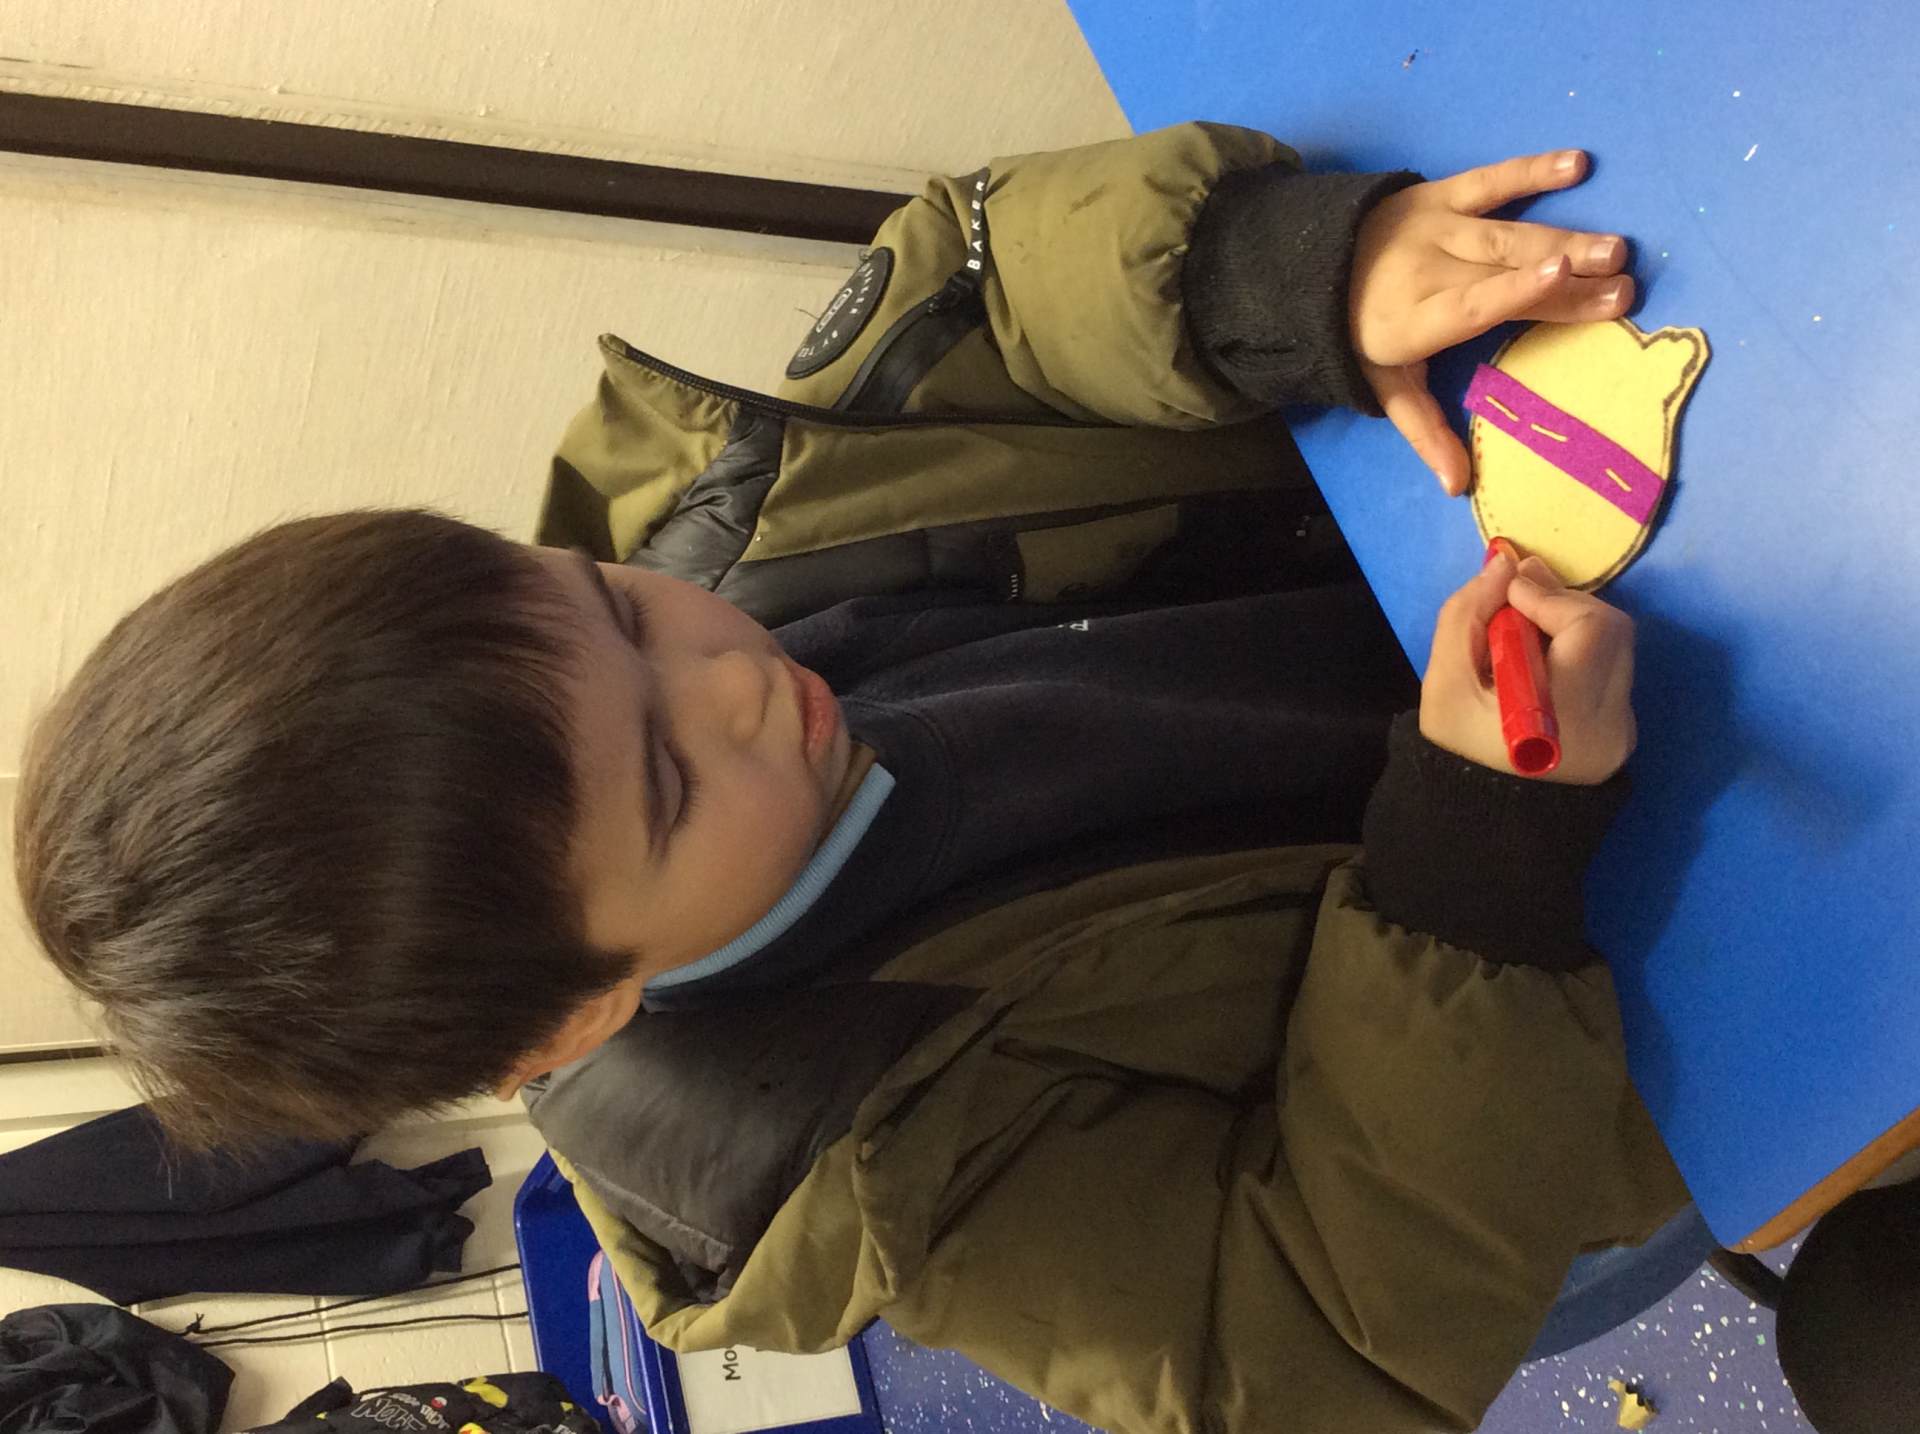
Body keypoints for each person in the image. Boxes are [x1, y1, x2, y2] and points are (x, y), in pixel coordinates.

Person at [14, 123, 1687, 1431]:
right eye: (670, 782)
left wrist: (1288, 278)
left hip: (1537, 556)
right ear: (580, 1014)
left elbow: (974, 278)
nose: (735, 676)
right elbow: (1315, 1337)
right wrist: (1482, 853)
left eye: (618, 608)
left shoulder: (745, 524)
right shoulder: (862, 1158)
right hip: (1603, 970)